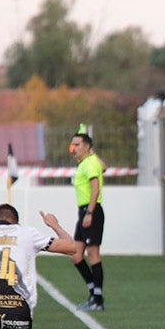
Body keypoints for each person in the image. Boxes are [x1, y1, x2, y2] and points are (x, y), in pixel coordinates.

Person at [70, 131, 106, 311]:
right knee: (75, 254)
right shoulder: (87, 163)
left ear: (86, 147)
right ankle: (93, 293)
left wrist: (90, 212)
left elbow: (95, 188)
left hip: (90, 210)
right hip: (83, 211)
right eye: (73, 144)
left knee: (93, 254)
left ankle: (98, 300)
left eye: (77, 145)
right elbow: (104, 167)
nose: (73, 148)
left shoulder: (90, 163)